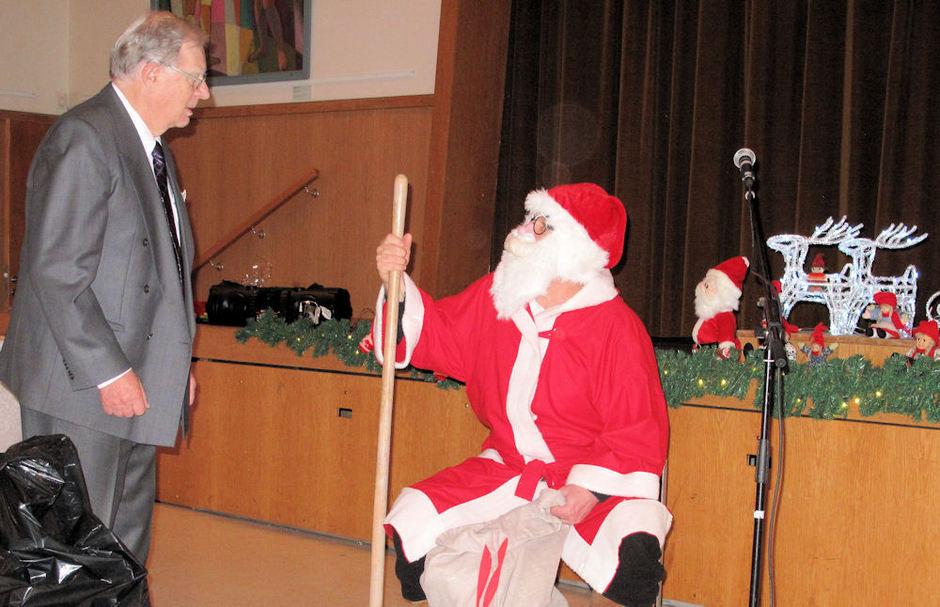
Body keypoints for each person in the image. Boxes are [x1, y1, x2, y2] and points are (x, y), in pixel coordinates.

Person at [373, 183, 672, 607]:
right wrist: (397, 285)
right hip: (510, 468)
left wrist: (591, 489)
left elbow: (636, 428)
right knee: (416, 523)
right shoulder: (500, 299)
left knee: (632, 554)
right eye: (531, 219)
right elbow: (437, 332)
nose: (524, 231)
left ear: (575, 250)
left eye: (543, 225)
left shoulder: (616, 328)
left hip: (593, 473)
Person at [0, 11, 210, 563]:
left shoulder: (151, 149)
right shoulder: (86, 137)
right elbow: (57, 271)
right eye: (195, 78)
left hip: (136, 379)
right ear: (152, 72)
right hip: (84, 387)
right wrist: (109, 372)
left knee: (121, 544)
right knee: (76, 553)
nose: (204, 93)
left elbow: (160, 273)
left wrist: (174, 364)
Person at [691, 256, 750, 358]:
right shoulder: (711, 312)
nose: (701, 286)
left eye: (707, 285)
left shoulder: (725, 316)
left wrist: (722, 357)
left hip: (714, 360)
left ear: (723, 292)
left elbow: (727, 343)